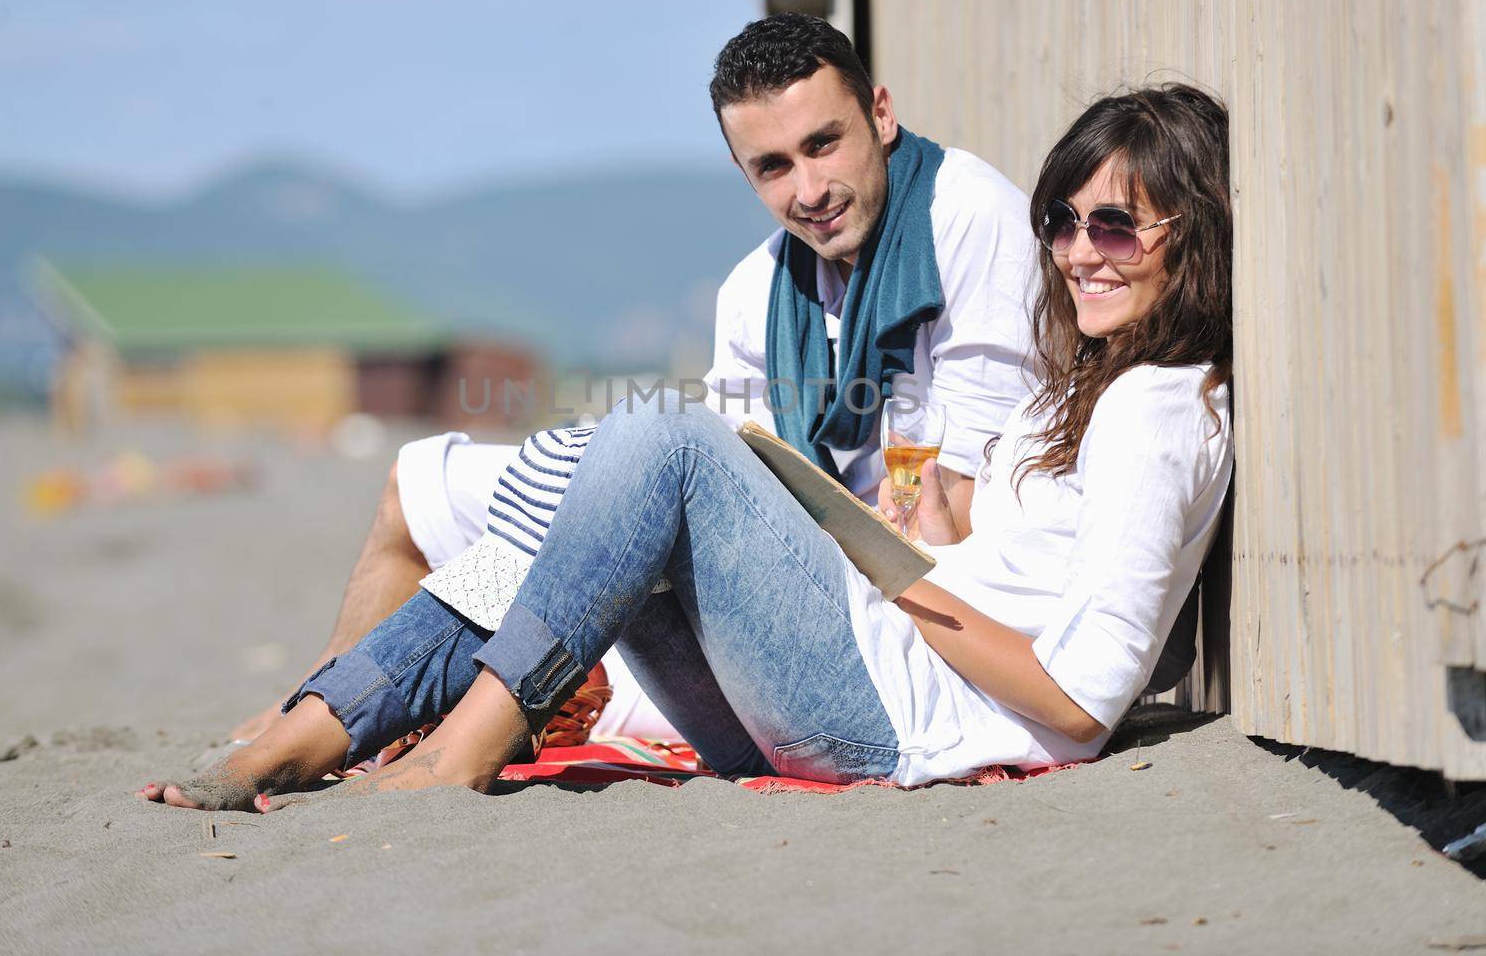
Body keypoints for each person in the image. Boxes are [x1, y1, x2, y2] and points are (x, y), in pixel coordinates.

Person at [144, 83, 1234, 809]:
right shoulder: (1086, 393)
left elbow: (1082, 702)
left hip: (896, 713)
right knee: (582, 507)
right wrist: (913, 531)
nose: (1077, 251)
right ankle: (320, 717)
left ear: (1191, 235)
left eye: (1116, 224)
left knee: (664, 435)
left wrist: (896, 580)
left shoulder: (1161, 409)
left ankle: (454, 742)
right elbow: (998, 568)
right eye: (1064, 220)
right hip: (859, 674)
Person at [227, 14, 1038, 741]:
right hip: (777, 571)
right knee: (422, 483)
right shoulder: (757, 289)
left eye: (824, 144)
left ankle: (394, 725)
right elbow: (750, 470)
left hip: (902, 629)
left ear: (882, 115)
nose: (809, 190)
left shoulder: (964, 220)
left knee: (629, 477)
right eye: (772, 166)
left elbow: (955, 509)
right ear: (740, 169)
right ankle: (327, 703)